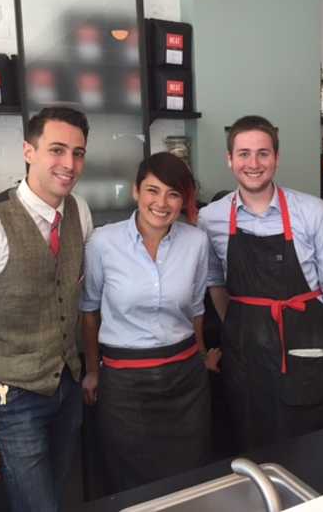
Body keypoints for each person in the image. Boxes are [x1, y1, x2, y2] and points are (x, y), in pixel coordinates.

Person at [0, 107, 93, 512]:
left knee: (57, 499)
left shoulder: (80, 212)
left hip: (67, 389)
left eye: (78, 153)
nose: (69, 164)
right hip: (13, 398)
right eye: (56, 150)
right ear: (28, 150)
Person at [197, 115, 323, 451]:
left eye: (263, 153)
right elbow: (216, 282)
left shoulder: (313, 212)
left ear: (276, 157)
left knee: (315, 450)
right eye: (243, 154)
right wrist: (242, 323)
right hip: (245, 359)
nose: (253, 163)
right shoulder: (210, 218)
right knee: (252, 447)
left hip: (306, 348)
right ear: (229, 159)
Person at [80, 152, 220, 493]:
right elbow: (89, 311)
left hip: (185, 380)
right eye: (153, 191)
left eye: (173, 194)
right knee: (129, 480)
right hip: (124, 384)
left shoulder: (196, 242)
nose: (162, 203)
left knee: (189, 477)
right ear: (136, 192)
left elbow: (196, 308)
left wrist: (202, 357)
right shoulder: (103, 242)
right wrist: (92, 370)